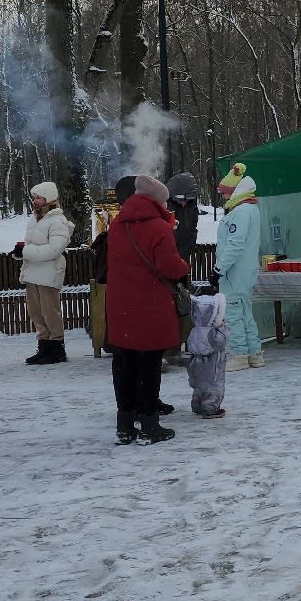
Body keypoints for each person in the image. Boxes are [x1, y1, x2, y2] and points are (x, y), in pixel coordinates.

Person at [104, 174, 188, 445]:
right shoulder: (159, 228)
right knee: (148, 366)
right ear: (156, 202)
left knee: (124, 366)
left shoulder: (116, 225)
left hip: (121, 308)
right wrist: (184, 266)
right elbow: (170, 268)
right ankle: (150, 425)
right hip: (149, 308)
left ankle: (125, 426)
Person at [16, 181, 74, 365]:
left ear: (49, 199)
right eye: (34, 198)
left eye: (39, 198)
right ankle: (44, 347)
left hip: (49, 273)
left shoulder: (57, 221)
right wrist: (20, 253)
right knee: (36, 312)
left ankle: (56, 348)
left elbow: (53, 250)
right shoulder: (34, 219)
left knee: (50, 312)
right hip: (33, 272)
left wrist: (25, 252)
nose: (35, 201)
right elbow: (33, 246)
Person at [214, 163, 264, 371]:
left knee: (233, 313)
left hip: (235, 271)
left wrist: (219, 269)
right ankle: (254, 353)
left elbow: (234, 244)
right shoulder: (250, 209)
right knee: (245, 311)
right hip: (245, 269)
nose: (224, 197)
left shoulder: (241, 212)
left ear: (235, 191)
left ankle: (239, 355)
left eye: (226, 193)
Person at [167, 172, 201, 262]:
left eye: (188, 199)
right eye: (181, 199)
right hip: (167, 255)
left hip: (184, 253)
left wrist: (190, 245)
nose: (184, 202)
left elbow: (193, 227)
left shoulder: (191, 206)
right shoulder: (166, 207)